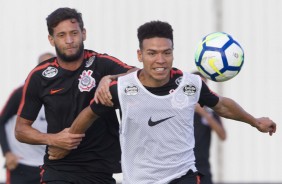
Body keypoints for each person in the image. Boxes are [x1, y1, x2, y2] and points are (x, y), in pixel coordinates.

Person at [48, 20, 276, 184]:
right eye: (152, 53)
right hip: (139, 178)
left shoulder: (190, 84)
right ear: (140, 55)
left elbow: (222, 104)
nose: (160, 60)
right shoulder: (123, 89)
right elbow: (89, 114)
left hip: (183, 175)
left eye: (167, 53)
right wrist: (64, 144)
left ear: (173, 53)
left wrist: (254, 121)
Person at [15, 7, 134, 184]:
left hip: (99, 170)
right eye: (62, 35)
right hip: (59, 168)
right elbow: (21, 130)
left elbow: (140, 75)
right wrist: (54, 139)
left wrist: (110, 78)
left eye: (74, 33)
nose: (69, 40)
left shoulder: (101, 63)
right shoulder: (39, 75)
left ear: (83, 33)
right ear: (51, 39)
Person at [0, 52, 54, 184]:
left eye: (52, 67)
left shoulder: (65, 94)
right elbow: (1, 122)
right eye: (44, 67)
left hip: (50, 165)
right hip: (22, 164)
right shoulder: (22, 93)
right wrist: (7, 152)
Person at [193, 71, 226, 184]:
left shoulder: (210, 109)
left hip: (202, 166)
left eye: (203, 85)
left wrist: (204, 114)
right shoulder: (179, 106)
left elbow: (222, 135)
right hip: (181, 165)